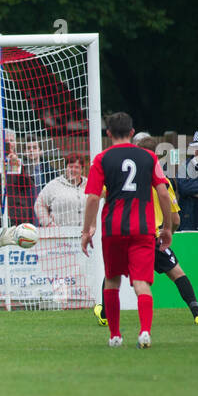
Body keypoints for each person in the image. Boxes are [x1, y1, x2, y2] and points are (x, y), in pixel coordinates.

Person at [80, 112, 175, 348]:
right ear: (132, 133)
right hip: (143, 228)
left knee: (112, 280)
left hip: (113, 228)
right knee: (141, 282)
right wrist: (167, 227)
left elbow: (92, 198)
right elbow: (163, 193)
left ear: (108, 133)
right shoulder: (149, 157)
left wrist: (87, 229)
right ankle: (144, 332)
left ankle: (115, 335)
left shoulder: (101, 159)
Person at [33, 151, 88, 226]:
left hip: (85, 234)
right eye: (70, 166)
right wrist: (48, 223)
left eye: (77, 167)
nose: (73, 170)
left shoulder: (89, 184)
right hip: (60, 234)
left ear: (82, 169)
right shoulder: (54, 185)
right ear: (65, 168)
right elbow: (39, 204)